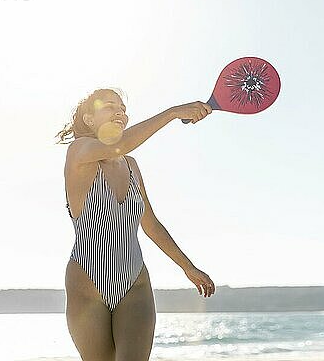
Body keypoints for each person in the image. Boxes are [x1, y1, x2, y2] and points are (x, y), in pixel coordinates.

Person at [54, 88, 216, 361]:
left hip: (135, 283)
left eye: (122, 107)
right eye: (109, 106)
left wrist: (188, 267)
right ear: (89, 119)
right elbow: (118, 145)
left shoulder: (131, 165)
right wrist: (173, 112)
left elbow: (150, 224)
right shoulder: (78, 152)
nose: (120, 111)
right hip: (87, 283)